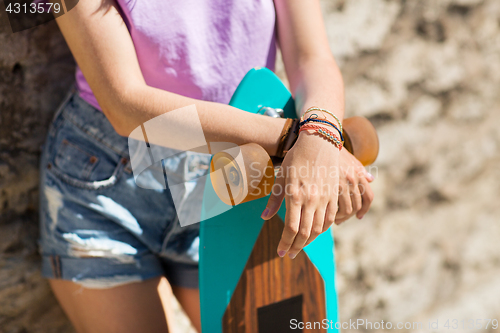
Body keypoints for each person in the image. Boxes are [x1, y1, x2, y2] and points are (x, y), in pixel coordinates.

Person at [39, 0, 374, 332]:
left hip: (238, 182)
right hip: (106, 192)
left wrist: (319, 135)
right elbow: (124, 105)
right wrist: (299, 140)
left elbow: (311, 56)